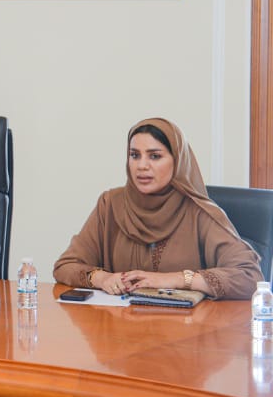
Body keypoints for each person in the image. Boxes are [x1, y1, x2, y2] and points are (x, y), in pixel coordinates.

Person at [53, 117, 262, 300]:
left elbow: (250, 277)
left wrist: (176, 279)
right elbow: (65, 266)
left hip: (187, 329)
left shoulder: (199, 212)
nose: (142, 166)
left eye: (154, 156)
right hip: (121, 327)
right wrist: (102, 278)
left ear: (177, 161)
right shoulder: (110, 204)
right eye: (135, 155)